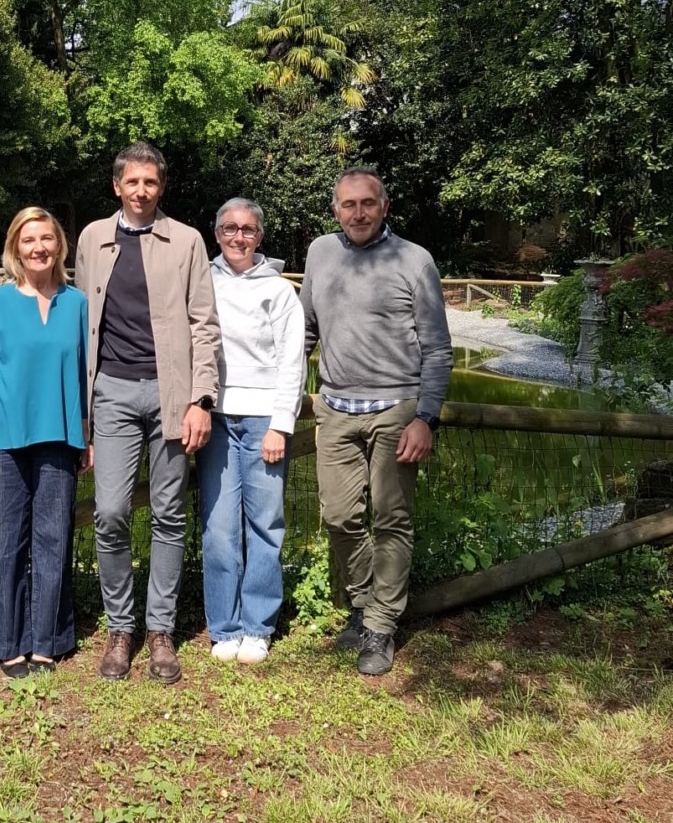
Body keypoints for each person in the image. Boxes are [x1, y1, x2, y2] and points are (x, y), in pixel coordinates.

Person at [75, 141, 221, 684]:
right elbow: (82, 323)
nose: (141, 190)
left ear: (161, 187)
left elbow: (204, 325)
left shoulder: (185, 241)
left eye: (150, 182)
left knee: (168, 513)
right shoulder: (93, 238)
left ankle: (159, 630)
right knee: (110, 512)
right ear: (117, 186)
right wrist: (81, 413)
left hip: (172, 394)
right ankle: (121, 626)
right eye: (131, 182)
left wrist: (201, 399)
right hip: (110, 391)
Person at [299, 166, 453, 676]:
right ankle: (365, 603)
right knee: (340, 516)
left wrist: (425, 418)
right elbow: (304, 332)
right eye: (348, 204)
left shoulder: (414, 260)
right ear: (335, 209)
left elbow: (437, 348)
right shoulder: (321, 253)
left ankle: (380, 625)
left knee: (391, 518)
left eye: (368, 203)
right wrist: (283, 394)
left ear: (384, 206)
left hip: (397, 409)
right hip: (336, 407)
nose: (358, 213)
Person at [0, 207, 90, 679]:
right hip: (4, 435)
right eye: (28, 239)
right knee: (5, 542)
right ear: (15, 247)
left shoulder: (76, 303)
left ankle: (49, 639)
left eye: (46, 238)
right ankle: (8, 640)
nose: (38, 247)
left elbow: (83, 373)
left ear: (59, 244)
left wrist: (87, 434)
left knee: (54, 539)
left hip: (60, 434)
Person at [197, 198, 305, 666]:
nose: (237, 237)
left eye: (247, 230)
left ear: (259, 236)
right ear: (216, 233)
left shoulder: (280, 291)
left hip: (262, 419)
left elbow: (292, 361)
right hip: (215, 417)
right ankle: (223, 624)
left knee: (265, 524)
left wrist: (281, 424)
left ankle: (257, 626)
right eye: (228, 229)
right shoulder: (202, 281)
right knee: (219, 527)